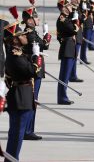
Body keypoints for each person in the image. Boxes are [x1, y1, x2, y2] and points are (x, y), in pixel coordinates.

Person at [3, 13, 42, 161]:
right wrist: (36, 58)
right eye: (22, 35)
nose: (25, 36)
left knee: (15, 134)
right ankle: (12, 159)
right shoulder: (15, 57)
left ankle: (10, 159)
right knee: (17, 135)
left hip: (21, 96)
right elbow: (31, 72)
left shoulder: (16, 55)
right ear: (15, 40)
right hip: (21, 98)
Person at [22, 0, 51, 140]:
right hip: (34, 71)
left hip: (37, 70)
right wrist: (45, 38)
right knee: (32, 101)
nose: (38, 19)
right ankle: (27, 131)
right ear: (29, 20)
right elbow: (43, 45)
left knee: (34, 101)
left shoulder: (33, 32)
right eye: (36, 17)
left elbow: (44, 45)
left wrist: (46, 34)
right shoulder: (30, 34)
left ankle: (29, 129)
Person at [56, 0, 78, 105]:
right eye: (68, 5)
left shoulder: (67, 18)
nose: (70, 7)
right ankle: (62, 97)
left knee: (66, 74)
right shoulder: (62, 19)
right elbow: (73, 30)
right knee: (64, 75)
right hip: (67, 48)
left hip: (69, 47)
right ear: (63, 8)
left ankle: (63, 96)